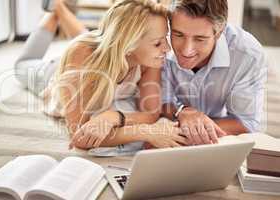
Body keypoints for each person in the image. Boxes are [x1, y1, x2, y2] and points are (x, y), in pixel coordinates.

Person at [15, 0, 187, 152]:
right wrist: (146, 132)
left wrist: (114, 116)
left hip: (105, 52)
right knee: (22, 66)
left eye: (165, 39)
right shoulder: (82, 54)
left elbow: (150, 114)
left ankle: (59, 7)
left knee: (98, 42)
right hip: (53, 73)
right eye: (157, 43)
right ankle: (55, 10)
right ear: (130, 44)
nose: (167, 49)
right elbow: (79, 135)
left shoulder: (149, 59)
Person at [161, 0, 268, 146]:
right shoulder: (158, 40)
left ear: (219, 32)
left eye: (200, 39)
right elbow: (159, 101)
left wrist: (191, 129)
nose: (186, 50)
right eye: (178, 35)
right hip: (170, 133)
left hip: (219, 138)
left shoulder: (247, 55)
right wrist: (182, 111)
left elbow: (246, 122)